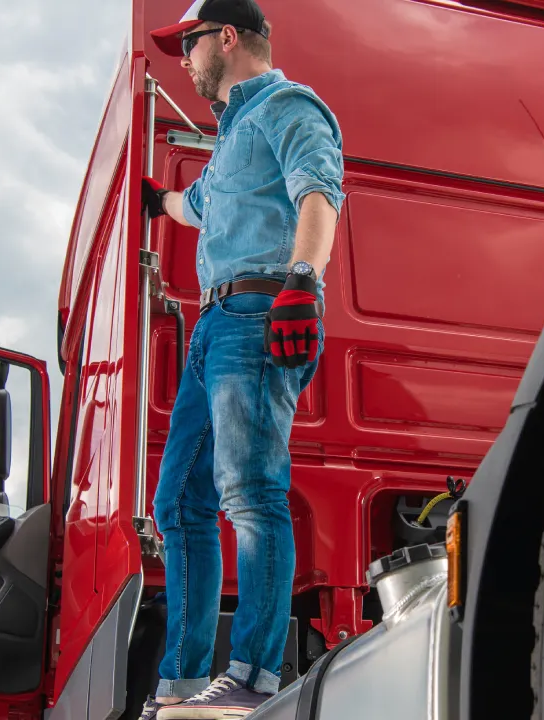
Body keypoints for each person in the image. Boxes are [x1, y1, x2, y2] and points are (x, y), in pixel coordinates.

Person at [139, 0, 344, 717]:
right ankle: (185, 686)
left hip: (261, 311)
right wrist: (154, 200)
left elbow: (319, 192)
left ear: (226, 38)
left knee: (250, 493)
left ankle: (254, 674)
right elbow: (195, 205)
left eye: (189, 44)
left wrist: (303, 282)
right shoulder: (229, 141)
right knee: (178, 501)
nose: (185, 60)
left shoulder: (289, 107)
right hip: (212, 324)